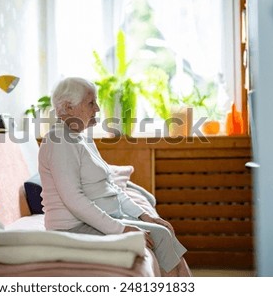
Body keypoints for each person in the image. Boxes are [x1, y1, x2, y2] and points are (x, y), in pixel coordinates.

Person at [38, 77, 192, 276]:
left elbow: (110, 186)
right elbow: (73, 199)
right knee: (161, 235)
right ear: (67, 108)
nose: (98, 109)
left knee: (163, 230)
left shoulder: (82, 139)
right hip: (72, 228)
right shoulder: (59, 140)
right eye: (91, 103)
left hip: (97, 220)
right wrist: (122, 229)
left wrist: (144, 215)